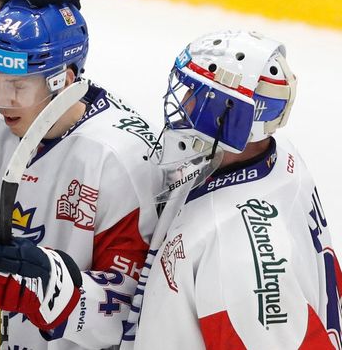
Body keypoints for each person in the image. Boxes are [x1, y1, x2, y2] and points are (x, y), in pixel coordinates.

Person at [0, 0, 162, 349]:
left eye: (18, 85)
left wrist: (51, 291)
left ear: (63, 80)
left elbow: (130, 306)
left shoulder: (120, 158)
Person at [129, 30, 342, 349]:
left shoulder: (239, 254)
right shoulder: (278, 154)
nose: (183, 102)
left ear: (232, 118)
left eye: (196, 95)